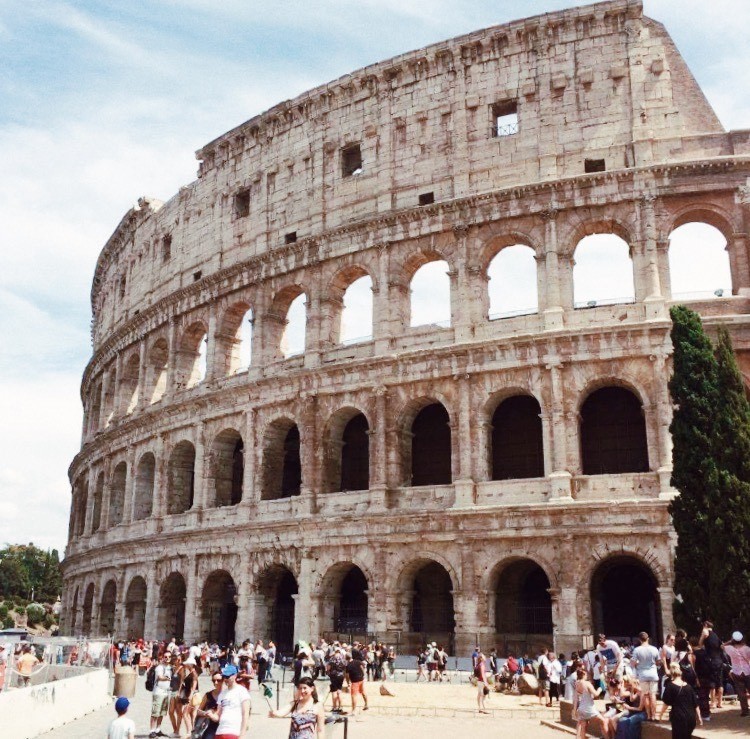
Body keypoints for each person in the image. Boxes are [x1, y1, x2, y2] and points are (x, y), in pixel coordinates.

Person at [662, 662, 702, 739]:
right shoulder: (689, 687)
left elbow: (666, 703)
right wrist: (699, 717)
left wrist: (661, 715)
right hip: (691, 717)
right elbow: (695, 704)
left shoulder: (670, 686)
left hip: (678, 717)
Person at [213, 663, 251, 739]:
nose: (225, 679)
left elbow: (245, 714)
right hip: (220, 731)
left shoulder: (242, 691)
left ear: (235, 676)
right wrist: (210, 714)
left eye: (227, 676)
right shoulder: (223, 694)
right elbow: (218, 715)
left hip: (234, 732)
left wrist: (242, 735)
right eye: (224, 677)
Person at [573, 665, 608, 739]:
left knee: (583, 727)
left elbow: (576, 698)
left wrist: (575, 709)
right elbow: (596, 694)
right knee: (603, 721)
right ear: (584, 675)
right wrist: (600, 689)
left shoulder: (577, 683)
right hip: (589, 708)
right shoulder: (587, 683)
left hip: (581, 708)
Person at [630, 631, 660, 720]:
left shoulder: (637, 650)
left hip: (643, 674)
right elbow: (658, 662)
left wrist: (637, 665)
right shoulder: (654, 649)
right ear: (648, 639)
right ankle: (654, 715)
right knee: (653, 695)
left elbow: (633, 662)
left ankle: (649, 715)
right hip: (653, 673)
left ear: (639, 640)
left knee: (646, 695)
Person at [699, 620, 725, 709]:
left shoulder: (705, 632)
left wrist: (702, 635)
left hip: (711, 660)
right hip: (719, 660)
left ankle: (713, 702)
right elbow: (722, 646)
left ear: (705, 625)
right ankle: (720, 703)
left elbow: (700, 644)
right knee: (720, 682)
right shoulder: (716, 635)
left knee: (712, 683)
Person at [724, 631, 750, 717]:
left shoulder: (729, 649)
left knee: (741, 692)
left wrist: (730, 641)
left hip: (736, 671)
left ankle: (745, 711)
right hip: (747, 671)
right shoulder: (747, 648)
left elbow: (722, 646)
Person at [195, 672, 223, 739]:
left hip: (223, 726)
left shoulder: (228, 695)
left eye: (218, 680)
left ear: (224, 680)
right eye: (214, 680)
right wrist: (206, 713)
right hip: (210, 725)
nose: (216, 682)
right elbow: (198, 711)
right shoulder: (208, 695)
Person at [149, 653, 172, 738]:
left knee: (162, 713)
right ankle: (152, 731)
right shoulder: (159, 667)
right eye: (165, 657)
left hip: (166, 692)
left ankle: (158, 730)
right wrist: (168, 678)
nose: (167, 658)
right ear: (163, 658)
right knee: (155, 713)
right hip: (158, 692)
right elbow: (160, 677)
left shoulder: (169, 668)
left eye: (169, 657)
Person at [345, 650, 369, 715]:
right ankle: (366, 704)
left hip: (354, 681)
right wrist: (363, 675)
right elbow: (362, 668)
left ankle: (354, 710)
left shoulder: (348, 665)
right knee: (363, 692)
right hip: (361, 679)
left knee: (354, 695)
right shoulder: (358, 662)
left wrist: (348, 683)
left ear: (346, 658)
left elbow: (347, 676)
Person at [326, 647, 347, 714]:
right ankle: (340, 707)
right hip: (341, 675)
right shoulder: (343, 658)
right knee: (339, 691)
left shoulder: (332, 658)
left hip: (333, 675)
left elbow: (328, 667)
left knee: (334, 691)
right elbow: (345, 667)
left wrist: (328, 672)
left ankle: (334, 707)